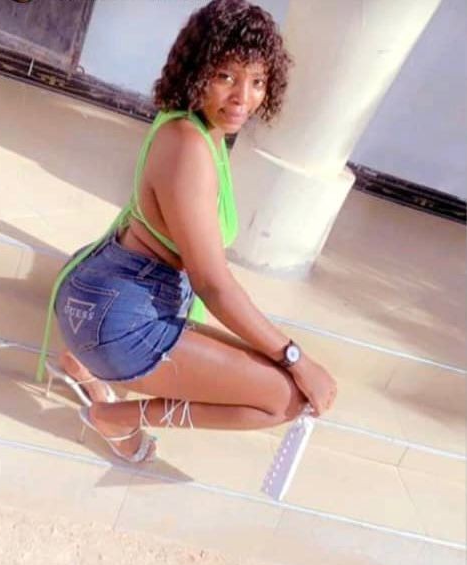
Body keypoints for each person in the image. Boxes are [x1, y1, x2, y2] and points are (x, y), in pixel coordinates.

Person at [39, 0, 337, 463]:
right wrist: (297, 357)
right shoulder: (188, 145)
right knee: (285, 398)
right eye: (226, 76)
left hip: (112, 292)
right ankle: (115, 417)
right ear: (198, 71)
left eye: (258, 81)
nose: (243, 98)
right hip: (119, 316)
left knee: (272, 369)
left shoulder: (196, 127)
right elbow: (213, 285)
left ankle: (85, 365)